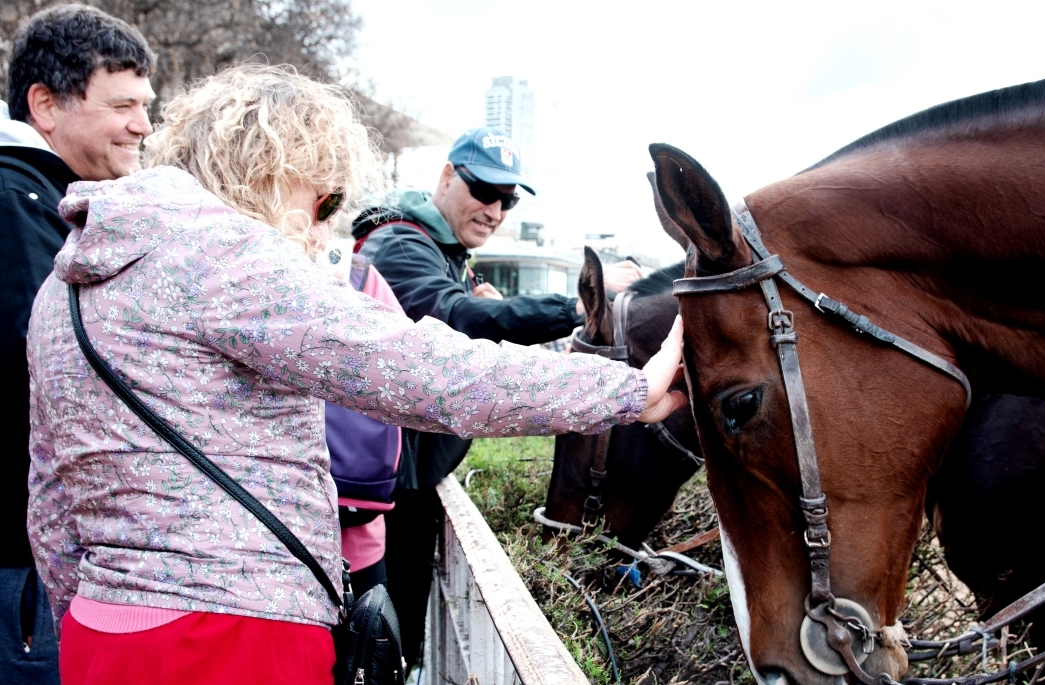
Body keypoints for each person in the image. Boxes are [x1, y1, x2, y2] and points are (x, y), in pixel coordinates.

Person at [25, 63, 686, 685]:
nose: (324, 231)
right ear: (272, 173)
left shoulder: (64, 284)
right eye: (326, 200)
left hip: (100, 627)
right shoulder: (227, 258)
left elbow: (50, 501)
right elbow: (423, 372)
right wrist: (630, 388)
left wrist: (88, 626)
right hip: (239, 634)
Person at [350, 128, 645, 663]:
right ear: (446, 177)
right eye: (484, 190)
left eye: (507, 199)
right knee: (380, 646)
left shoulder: (445, 253)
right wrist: (581, 308)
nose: (495, 209)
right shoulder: (400, 244)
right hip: (388, 492)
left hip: (409, 482)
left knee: (402, 643)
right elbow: (458, 318)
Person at [1, 6, 154, 683]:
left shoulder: (46, 202)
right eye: (122, 104)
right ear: (45, 105)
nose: (142, 125)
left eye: (145, 105)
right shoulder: (14, 205)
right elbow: (41, 375)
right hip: (20, 572)